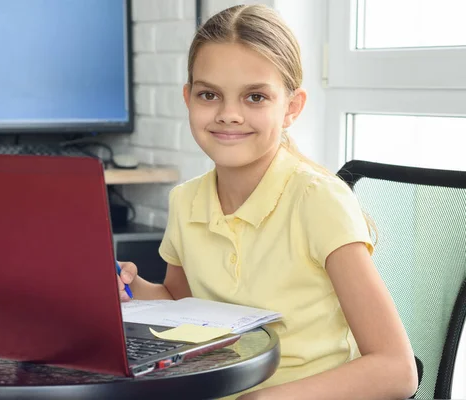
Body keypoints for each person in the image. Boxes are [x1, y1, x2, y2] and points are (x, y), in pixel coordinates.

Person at [118, 4, 418, 399]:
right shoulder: (185, 200)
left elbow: (397, 369)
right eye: (210, 94)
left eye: (255, 97)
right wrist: (130, 286)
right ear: (188, 98)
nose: (228, 114)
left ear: (291, 107)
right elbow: (180, 302)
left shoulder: (318, 201)